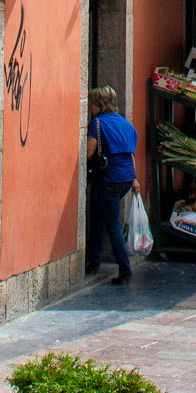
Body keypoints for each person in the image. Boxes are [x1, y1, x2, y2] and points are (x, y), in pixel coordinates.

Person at [86, 87, 138, 286]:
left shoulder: (97, 123)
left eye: (91, 103)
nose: (90, 107)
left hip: (109, 179)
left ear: (99, 105)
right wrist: (134, 179)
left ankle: (125, 269)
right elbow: (130, 153)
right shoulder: (125, 123)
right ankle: (94, 260)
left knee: (113, 224)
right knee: (100, 216)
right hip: (126, 178)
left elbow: (89, 152)